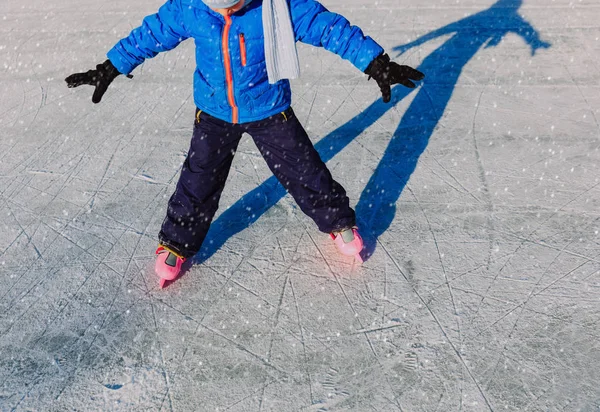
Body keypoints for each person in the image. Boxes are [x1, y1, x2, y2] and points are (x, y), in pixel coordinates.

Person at [65, 0, 424, 287]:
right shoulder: (190, 8)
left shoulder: (276, 6)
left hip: (269, 108)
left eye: (233, 3)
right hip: (214, 111)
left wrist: (376, 63)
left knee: (304, 170)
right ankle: (176, 243)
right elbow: (151, 33)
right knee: (198, 180)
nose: (226, 11)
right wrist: (111, 66)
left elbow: (328, 27)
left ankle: (338, 222)